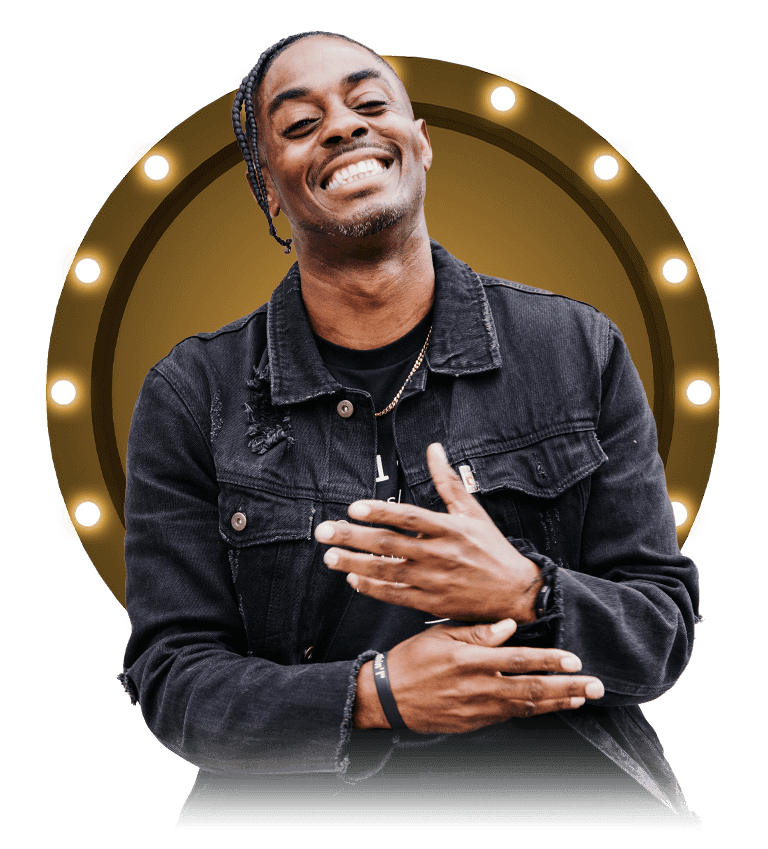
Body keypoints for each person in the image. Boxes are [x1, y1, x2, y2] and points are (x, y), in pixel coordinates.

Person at [117, 30, 702, 823]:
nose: (343, 126)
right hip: (298, 810)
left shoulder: (576, 347)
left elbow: (661, 631)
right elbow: (175, 678)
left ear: (420, 144)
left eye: (368, 102)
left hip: (565, 794)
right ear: (267, 191)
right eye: (300, 124)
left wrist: (528, 590)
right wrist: (375, 695)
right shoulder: (192, 394)